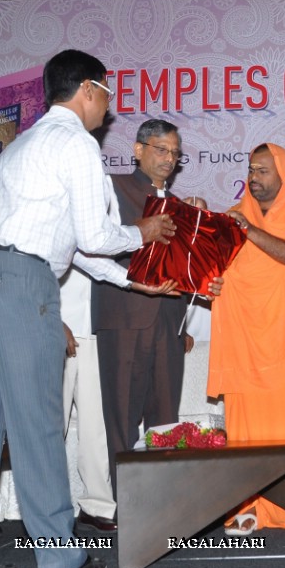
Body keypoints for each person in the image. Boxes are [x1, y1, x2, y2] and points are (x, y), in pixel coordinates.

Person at [0, 49, 176, 568]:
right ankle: (60, 557)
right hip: (17, 282)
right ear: (87, 88)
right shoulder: (77, 143)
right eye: (107, 91)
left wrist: (133, 280)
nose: (109, 105)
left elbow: (74, 247)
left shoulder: (25, 145)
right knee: (37, 419)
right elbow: (96, 235)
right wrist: (144, 234)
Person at [206, 143, 285, 535]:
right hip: (243, 342)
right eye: (251, 170)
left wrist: (249, 231)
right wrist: (211, 282)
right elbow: (211, 270)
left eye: (263, 171)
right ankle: (247, 506)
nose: (255, 178)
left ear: (283, 174)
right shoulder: (229, 217)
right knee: (246, 434)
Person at [91, 118, 194, 499]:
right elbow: (93, 242)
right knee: (122, 420)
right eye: (161, 149)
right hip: (125, 318)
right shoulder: (110, 187)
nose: (169, 159)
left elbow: (186, 265)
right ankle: (130, 509)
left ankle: (164, 508)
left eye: (175, 153)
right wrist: (141, 228)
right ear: (138, 150)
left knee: (166, 421)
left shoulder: (180, 206)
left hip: (169, 322)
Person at [60, 266, 117, 532]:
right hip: (57, 326)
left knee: (97, 424)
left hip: (95, 328)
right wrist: (52, 321)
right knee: (51, 426)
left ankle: (97, 506)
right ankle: (49, 510)